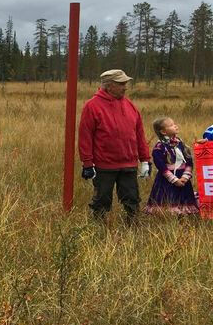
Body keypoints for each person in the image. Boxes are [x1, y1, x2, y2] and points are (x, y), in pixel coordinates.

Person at [78, 69, 151, 223]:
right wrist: (87, 164)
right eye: (121, 84)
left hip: (129, 163)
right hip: (104, 165)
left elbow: (139, 134)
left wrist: (145, 160)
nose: (125, 87)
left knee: (132, 199)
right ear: (109, 86)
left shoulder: (130, 105)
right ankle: (99, 230)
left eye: (125, 83)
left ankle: (133, 228)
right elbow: (85, 137)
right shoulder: (92, 106)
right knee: (101, 201)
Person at [143, 117, 199, 216]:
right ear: (163, 132)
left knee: (184, 205)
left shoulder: (180, 144)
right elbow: (161, 167)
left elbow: (189, 161)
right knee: (169, 203)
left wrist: (185, 177)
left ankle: (183, 218)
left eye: (174, 124)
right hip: (167, 181)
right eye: (171, 125)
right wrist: (174, 180)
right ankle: (168, 220)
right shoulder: (159, 147)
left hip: (182, 178)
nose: (175, 126)